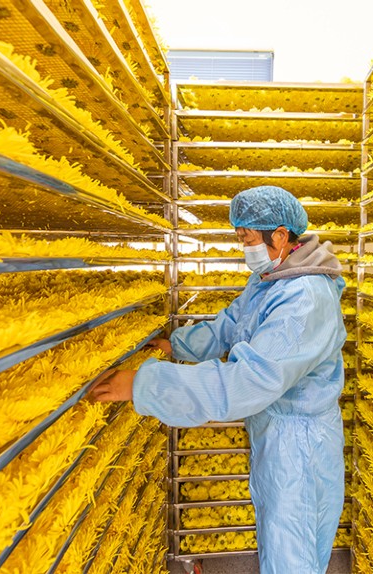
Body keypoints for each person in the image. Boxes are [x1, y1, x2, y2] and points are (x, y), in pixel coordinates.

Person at [90, 185, 347, 573]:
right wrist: (178, 346)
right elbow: (233, 323)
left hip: (300, 444)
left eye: (247, 239)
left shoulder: (304, 298)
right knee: (282, 543)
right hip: (277, 431)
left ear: (279, 235)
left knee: (292, 553)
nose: (244, 248)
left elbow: (248, 380)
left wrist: (143, 385)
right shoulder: (274, 277)